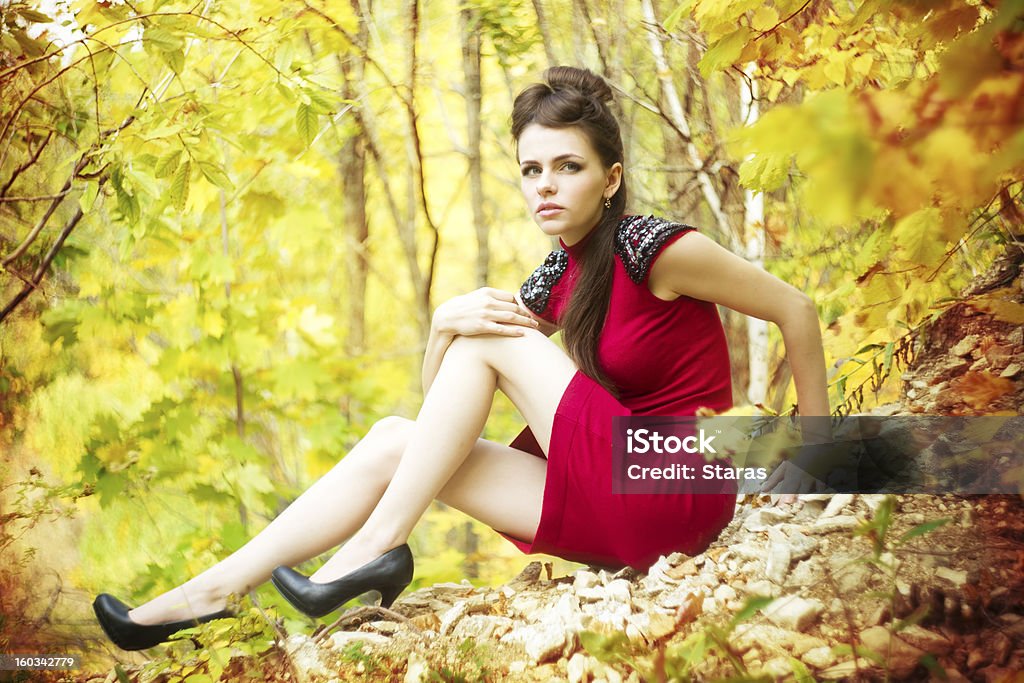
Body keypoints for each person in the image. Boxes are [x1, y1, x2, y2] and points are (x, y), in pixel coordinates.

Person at [93, 65, 829, 651]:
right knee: (392, 438)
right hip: (620, 503)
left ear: (609, 178)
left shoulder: (658, 251)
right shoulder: (554, 278)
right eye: (530, 168)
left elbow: (795, 309)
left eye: (567, 166)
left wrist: (813, 462)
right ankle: (202, 596)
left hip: (677, 483)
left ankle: (377, 547)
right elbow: (442, 407)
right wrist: (442, 325)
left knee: (481, 336)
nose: (545, 183)